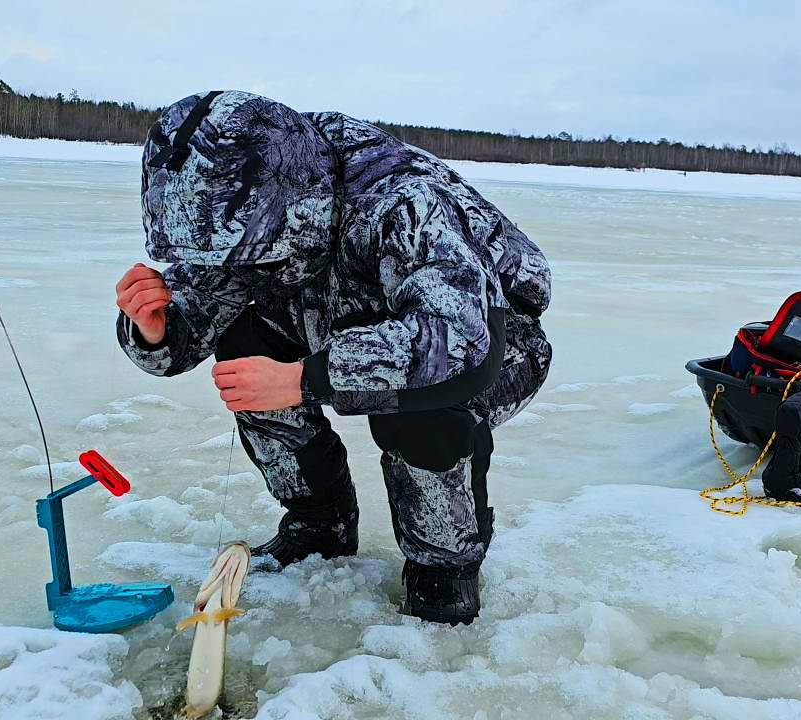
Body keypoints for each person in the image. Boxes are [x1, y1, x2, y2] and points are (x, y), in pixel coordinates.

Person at [115, 91, 551, 625]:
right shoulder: (243, 212)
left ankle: (443, 563)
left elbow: (460, 344)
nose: (230, 266)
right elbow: (189, 328)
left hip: (494, 343)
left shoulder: (402, 203)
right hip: (330, 314)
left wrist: (305, 378)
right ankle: (320, 521)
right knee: (244, 349)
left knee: (421, 410)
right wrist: (156, 329)